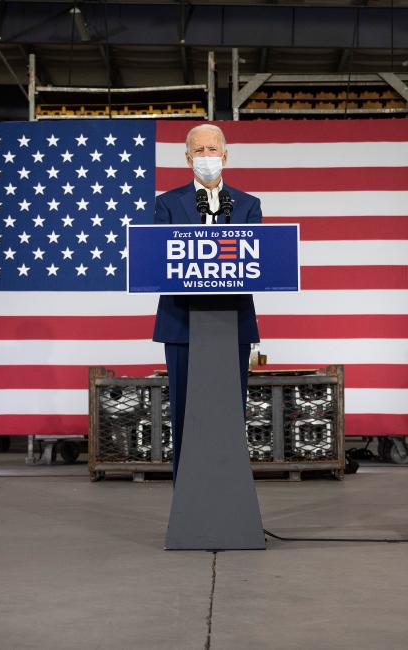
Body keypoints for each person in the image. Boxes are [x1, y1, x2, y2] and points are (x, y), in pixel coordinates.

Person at [152, 124, 262, 481]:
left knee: (229, 412)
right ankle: (187, 490)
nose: (206, 157)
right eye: (198, 151)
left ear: (225, 155)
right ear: (187, 158)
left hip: (233, 323)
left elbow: (258, 262)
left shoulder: (247, 205)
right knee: (186, 412)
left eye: (212, 149)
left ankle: (229, 488)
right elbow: (157, 261)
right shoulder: (167, 204)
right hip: (182, 323)